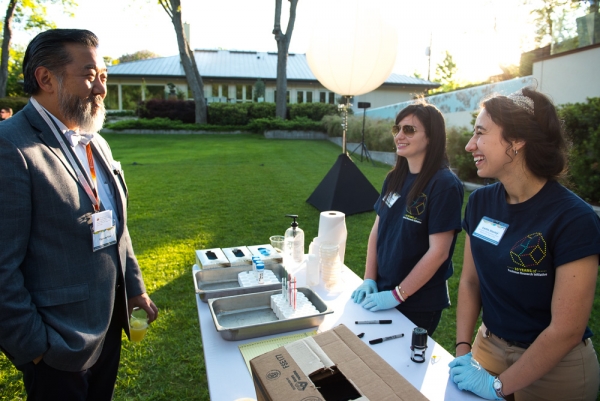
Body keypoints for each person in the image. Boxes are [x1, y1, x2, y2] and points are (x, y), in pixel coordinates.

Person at [0, 29, 158, 400]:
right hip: (58, 347)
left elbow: (115, 222)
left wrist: (133, 288)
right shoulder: (11, 147)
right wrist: (36, 349)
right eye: (89, 76)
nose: (101, 89)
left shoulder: (94, 140)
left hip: (106, 327)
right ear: (45, 78)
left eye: (103, 76)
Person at [449, 87, 600, 400]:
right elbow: (470, 282)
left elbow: (567, 330)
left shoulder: (574, 219)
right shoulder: (479, 203)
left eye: (480, 133)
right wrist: (464, 350)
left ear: (517, 140)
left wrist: (499, 387)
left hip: (555, 370)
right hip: (487, 351)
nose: (469, 145)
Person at [351, 101, 464, 336]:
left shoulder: (444, 185)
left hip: (418, 302)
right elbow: (378, 230)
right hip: (381, 291)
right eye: (397, 129)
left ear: (431, 137)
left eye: (409, 130)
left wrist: (398, 294)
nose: (399, 135)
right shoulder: (395, 177)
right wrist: (369, 278)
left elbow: (439, 252)